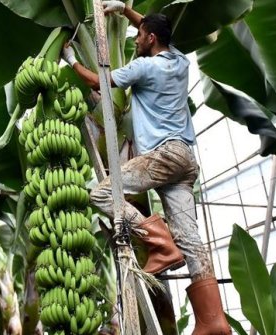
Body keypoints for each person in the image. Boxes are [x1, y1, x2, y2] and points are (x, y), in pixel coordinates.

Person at [61, 2, 231, 334]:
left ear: (150, 39)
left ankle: (159, 242)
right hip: (184, 160)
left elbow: (100, 83)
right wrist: (126, 11)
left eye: (139, 35)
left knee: (102, 194)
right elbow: (153, 28)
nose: (135, 39)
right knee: (191, 238)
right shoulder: (179, 61)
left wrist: (70, 60)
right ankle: (214, 320)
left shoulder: (144, 68)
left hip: (163, 156)